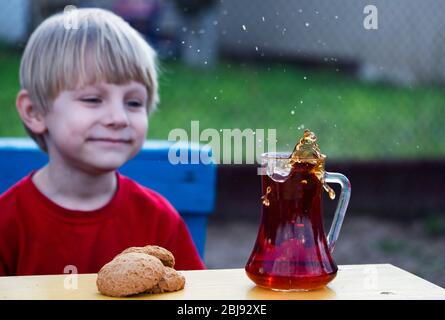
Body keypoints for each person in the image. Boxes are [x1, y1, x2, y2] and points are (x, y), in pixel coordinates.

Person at [0, 8, 205, 276]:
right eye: (93, 99)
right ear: (34, 112)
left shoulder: (158, 220)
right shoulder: (8, 223)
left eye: (133, 102)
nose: (118, 118)